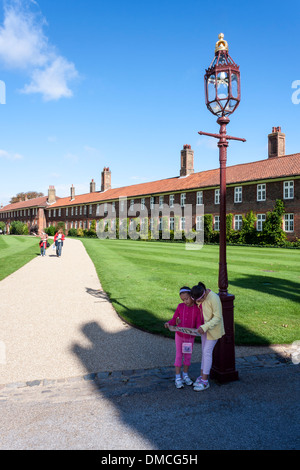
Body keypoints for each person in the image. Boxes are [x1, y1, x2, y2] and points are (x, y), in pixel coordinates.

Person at [164, 286, 204, 389]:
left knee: (187, 356)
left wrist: (200, 328)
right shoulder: (180, 307)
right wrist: (169, 323)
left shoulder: (197, 308)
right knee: (178, 355)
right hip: (179, 336)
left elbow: (199, 322)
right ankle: (178, 377)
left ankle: (185, 375)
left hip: (190, 338)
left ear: (192, 296)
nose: (185, 301)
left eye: (186, 298)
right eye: (183, 299)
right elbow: (174, 319)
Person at [190, 282, 225, 391]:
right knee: (204, 352)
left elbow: (218, 317)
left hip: (213, 330)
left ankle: (205, 381)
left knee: (207, 352)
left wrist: (205, 327)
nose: (198, 302)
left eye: (199, 300)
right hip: (204, 329)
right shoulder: (200, 297)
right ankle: (202, 376)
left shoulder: (213, 298)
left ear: (204, 295)